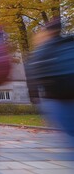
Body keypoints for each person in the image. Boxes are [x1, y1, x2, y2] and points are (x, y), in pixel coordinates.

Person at [27, 18, 74, 147]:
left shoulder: (44, 47)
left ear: (47, 32)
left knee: (69, 131)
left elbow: (33, 70)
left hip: (56, 94)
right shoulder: (70, 42)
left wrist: (34, 95)